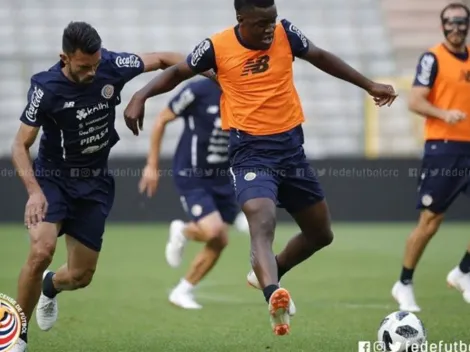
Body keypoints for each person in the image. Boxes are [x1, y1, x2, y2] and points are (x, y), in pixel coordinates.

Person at [124, 0, 397, 335]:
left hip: (291, 150)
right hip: (250, 153)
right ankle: (274, 294)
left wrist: (370, 85)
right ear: (241, 20)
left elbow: (322, 57)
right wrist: (140, 95)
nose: (270, 28)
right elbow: (177, 71)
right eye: (262, 23)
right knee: (261, 220)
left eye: (273, 20)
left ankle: (270, 272)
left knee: (321, 234)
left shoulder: (286, 32)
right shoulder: (216, 46)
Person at [10, 21, 193, 352]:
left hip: (94, 184)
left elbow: (167, 59)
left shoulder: (111, 65)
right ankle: (16, 335)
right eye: (84, 67)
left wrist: (209, 70)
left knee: (80, 277)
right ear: (64, 58)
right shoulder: (46, 87)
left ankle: (51, 286)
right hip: (53, 179)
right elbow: (19, 146)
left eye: (95, 64)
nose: (93, 72)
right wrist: (34, 192)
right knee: (41, 251)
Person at [138, 78, 247, 309]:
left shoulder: (248, 90)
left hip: (224, 178)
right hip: (193, 174)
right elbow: (162, 119)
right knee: (214, 230)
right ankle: (185, 230)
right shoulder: (198, 90)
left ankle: (183, 290)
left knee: (220, 240)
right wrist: (152, 165)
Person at [392, 2, 470, 312]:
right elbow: (415, 100)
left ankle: (463, 271)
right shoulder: (432, 57)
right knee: (431, 221)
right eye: (450, 22)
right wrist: (443, 113)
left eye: (461, 22)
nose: (456, 27)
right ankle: (404, 282)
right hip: (444, 147)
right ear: (442, 26)